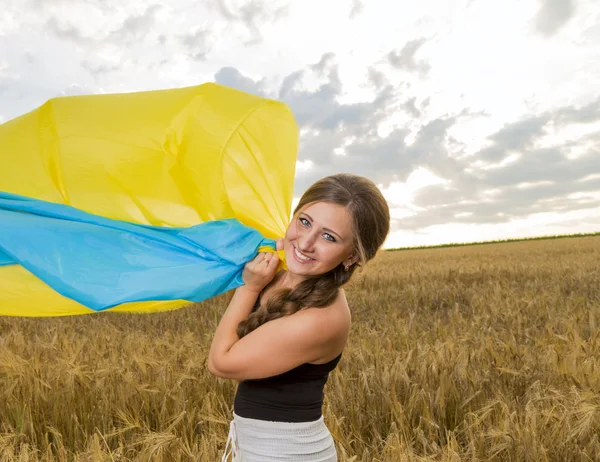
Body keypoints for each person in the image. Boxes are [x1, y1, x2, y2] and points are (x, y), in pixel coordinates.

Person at [208, 173, 390, 461]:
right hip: (259, 449)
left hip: (288, 453)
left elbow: (221, 362)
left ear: (352, 256)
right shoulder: (279, 273)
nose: (305, 243)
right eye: (304, 222)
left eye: (328, 237)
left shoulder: (321, 318)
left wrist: (250, 286)